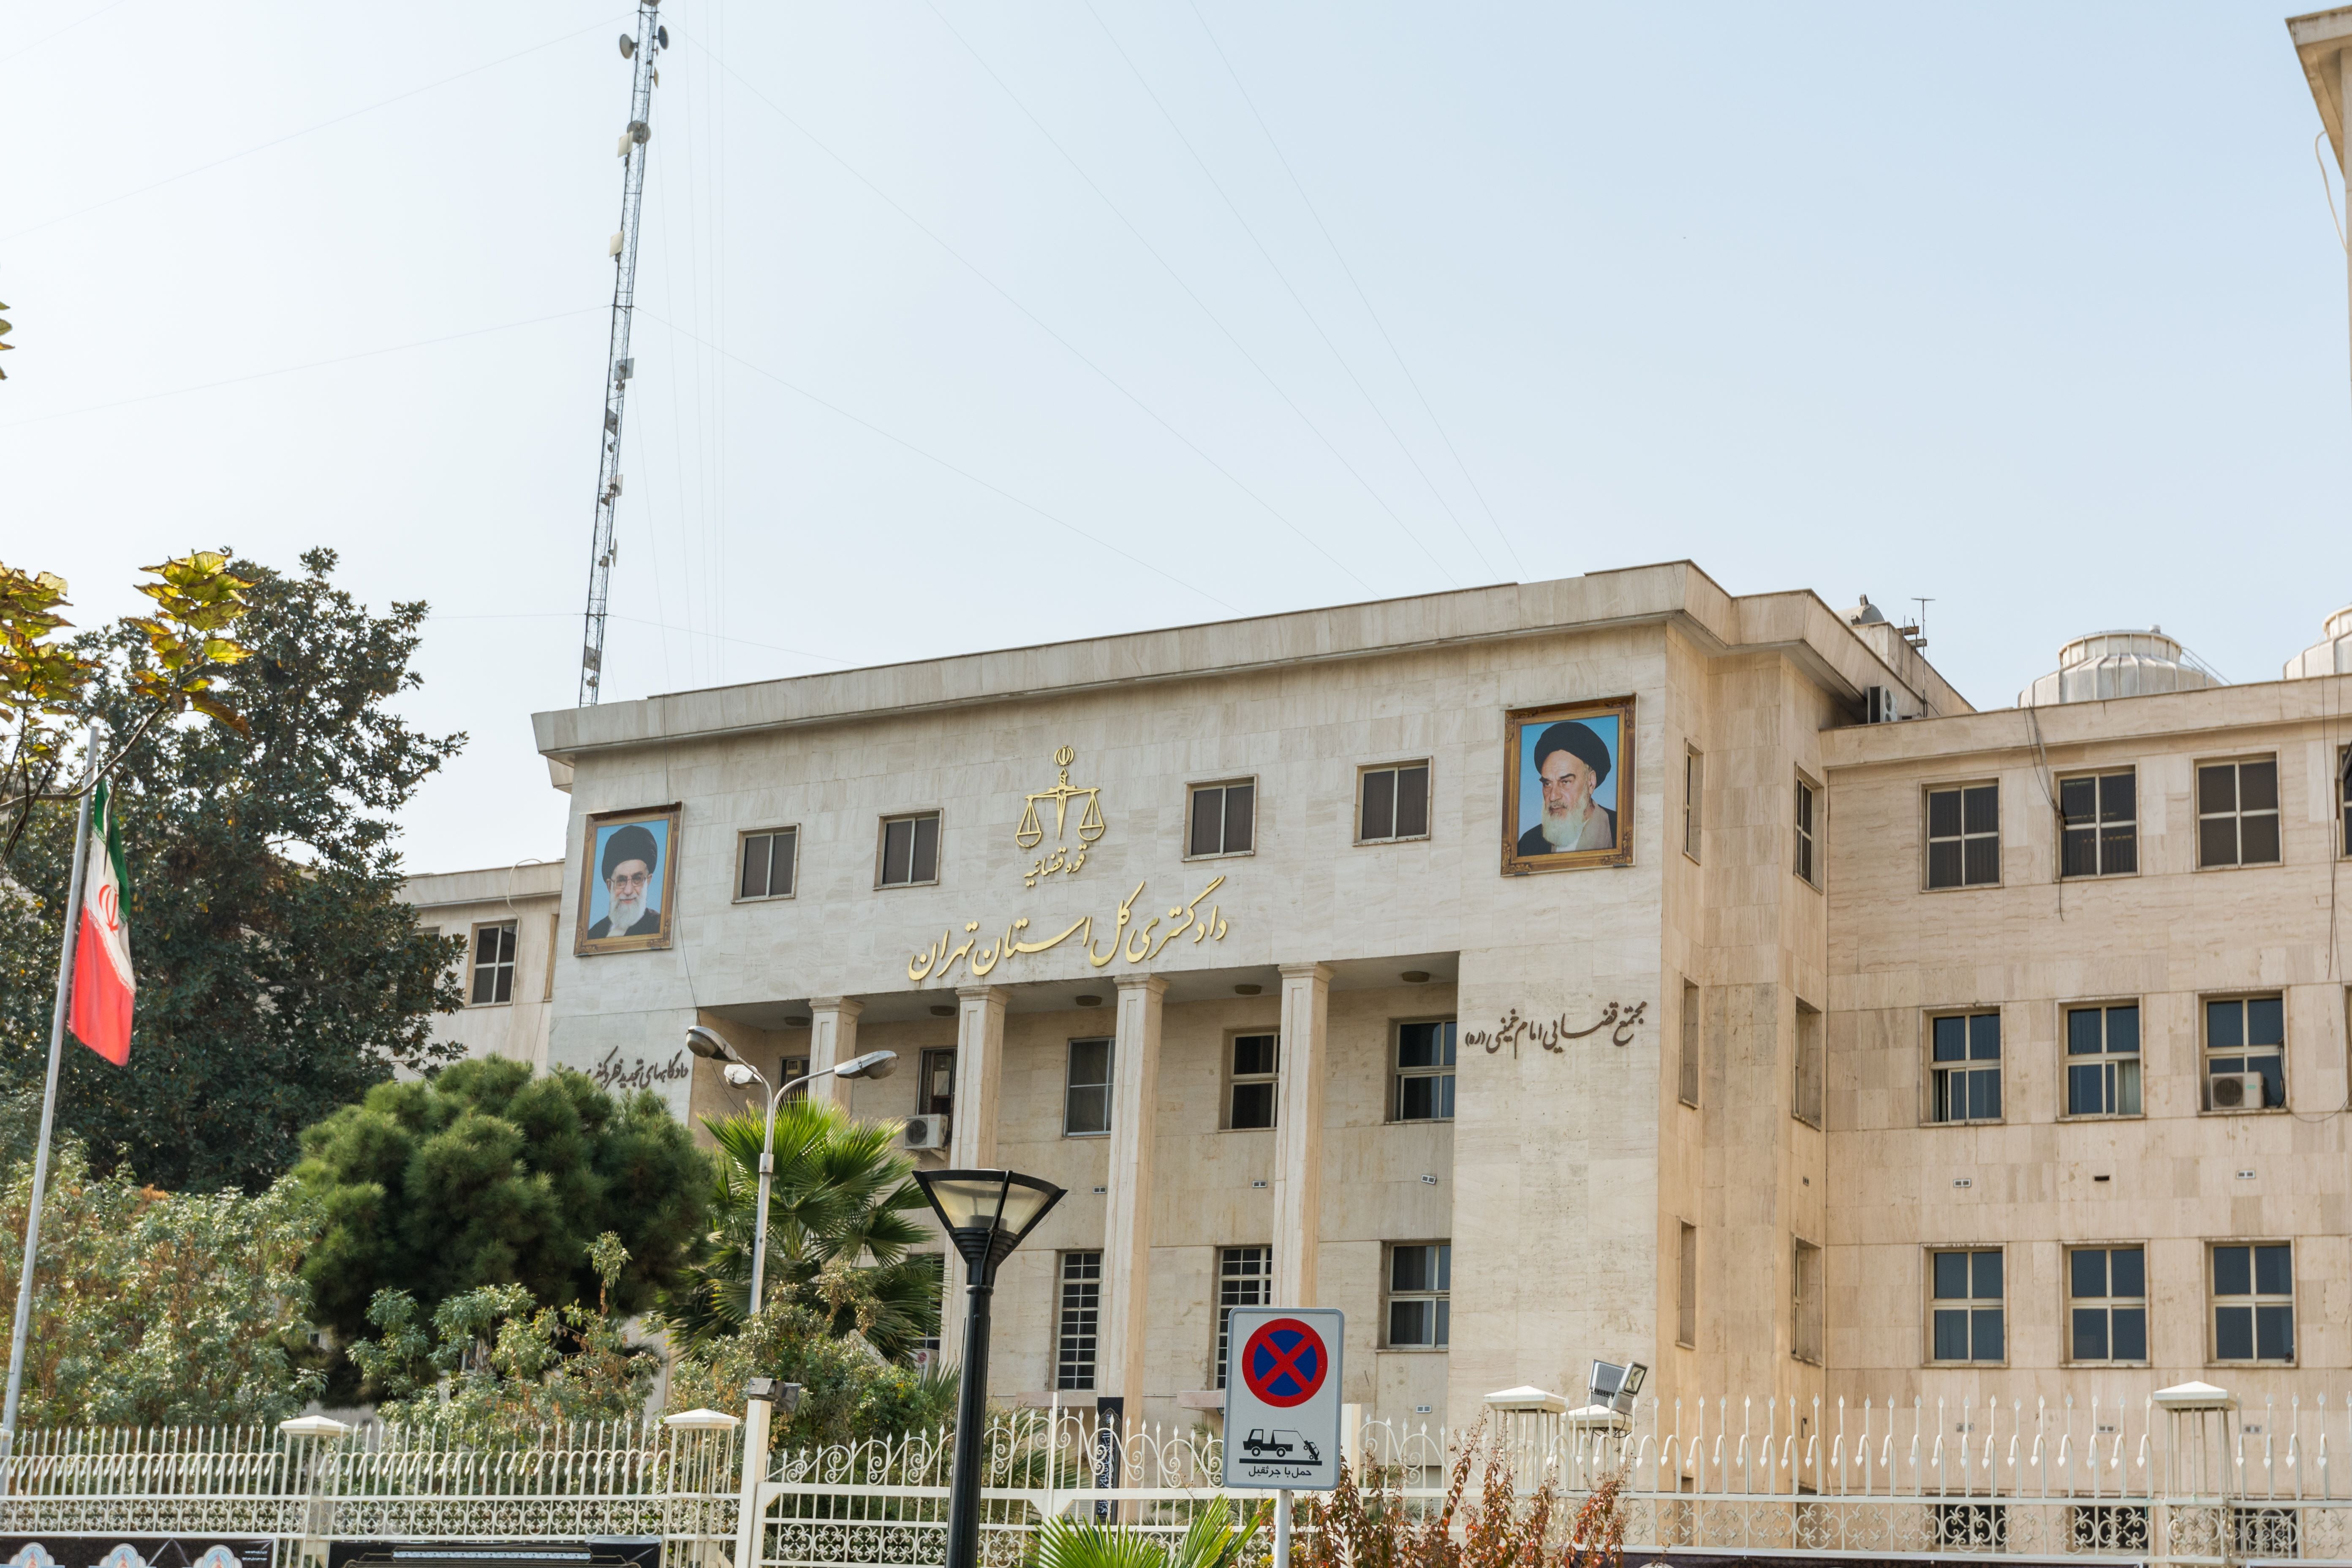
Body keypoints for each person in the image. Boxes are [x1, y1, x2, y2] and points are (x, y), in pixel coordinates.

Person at [1517, 720, 1617, 855]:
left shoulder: (1619, 830)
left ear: (1591, 783)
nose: (1553, 796)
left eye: (1565, 782)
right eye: (1548, 784)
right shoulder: (1528, 844)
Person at [588, 823, 663, 938]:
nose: (628, 891)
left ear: (648, 881)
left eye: (637, 879)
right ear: (610, 886)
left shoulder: (659, 926)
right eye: (621, 881)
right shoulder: (594, 934)